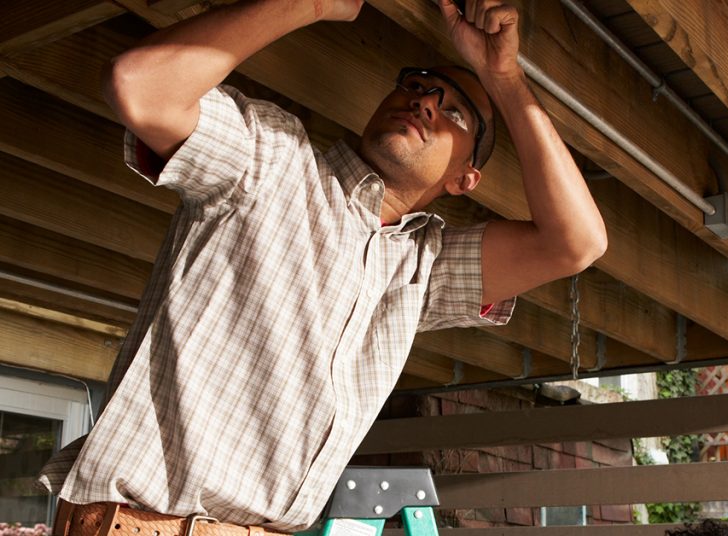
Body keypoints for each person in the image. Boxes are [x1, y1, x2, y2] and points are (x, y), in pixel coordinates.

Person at [37, 0, 606, 533]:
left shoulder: (423, 267)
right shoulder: (271, 157)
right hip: (143, 522)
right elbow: (138, 86)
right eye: (415, 86)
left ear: (464, 180)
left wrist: (505, 78)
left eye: (453, 111)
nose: (424, 101)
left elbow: (575, 242)